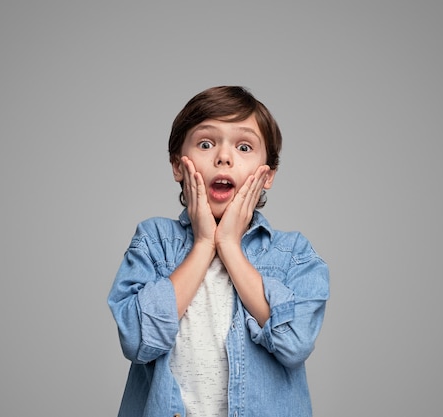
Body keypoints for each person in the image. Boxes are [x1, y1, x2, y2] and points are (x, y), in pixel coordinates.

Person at [107, 85, 330, 417]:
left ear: (267, 175)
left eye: (243, 146)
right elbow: (138, 341)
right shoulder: (154, 241)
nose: (223, 157)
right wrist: (202, 245)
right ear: (177, 166)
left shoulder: (293, 254)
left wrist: (229, 246)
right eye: (206, 143)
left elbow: (294, 343)